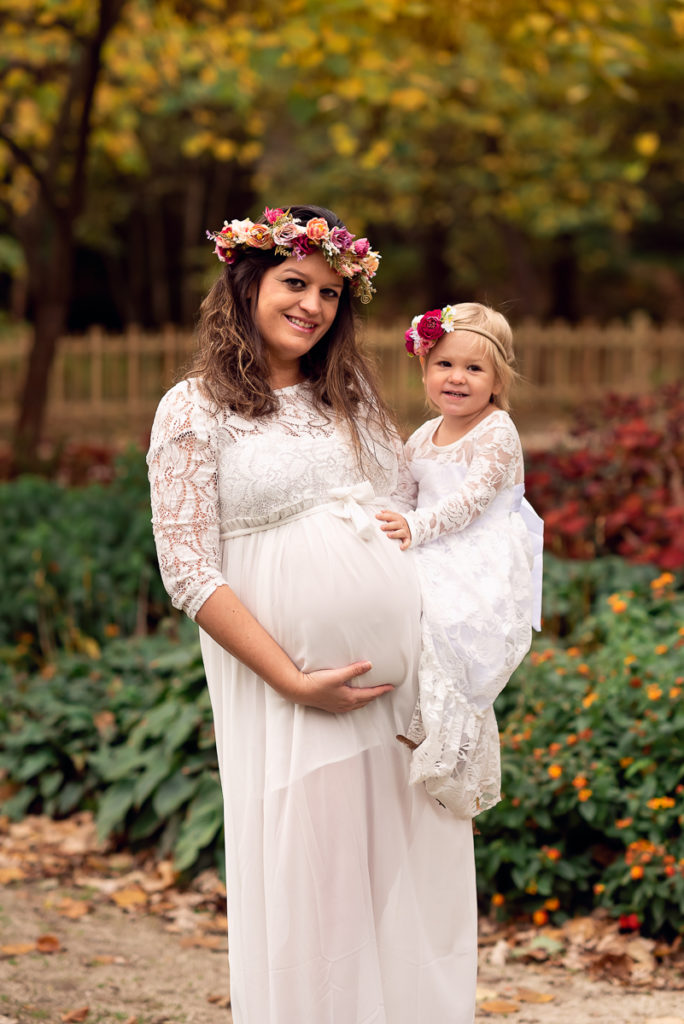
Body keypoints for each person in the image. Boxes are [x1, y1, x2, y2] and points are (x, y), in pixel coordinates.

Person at [147, 207, 478, 1024]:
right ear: (246, 283)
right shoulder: (192, 409)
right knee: (318, 883)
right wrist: (293, 678)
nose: (313, 306)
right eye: (296, 283)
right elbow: (189, 571)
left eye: (330, 292)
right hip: (292, 690)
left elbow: (406, 508)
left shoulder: (352, 394)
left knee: (403, 888)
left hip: (395, 696)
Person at [377, 303, 543, 819]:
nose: (457, 378)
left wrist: (416, 528)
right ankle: (407, 720)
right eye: (445, 364)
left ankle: (447, 750)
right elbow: (402, 496)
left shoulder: (497, 430)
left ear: (497, 381)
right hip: (433, 539)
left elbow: (471, 500)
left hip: (480, 547)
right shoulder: (421, 437)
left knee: (450, 629)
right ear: (425, 369)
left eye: (474, 369)